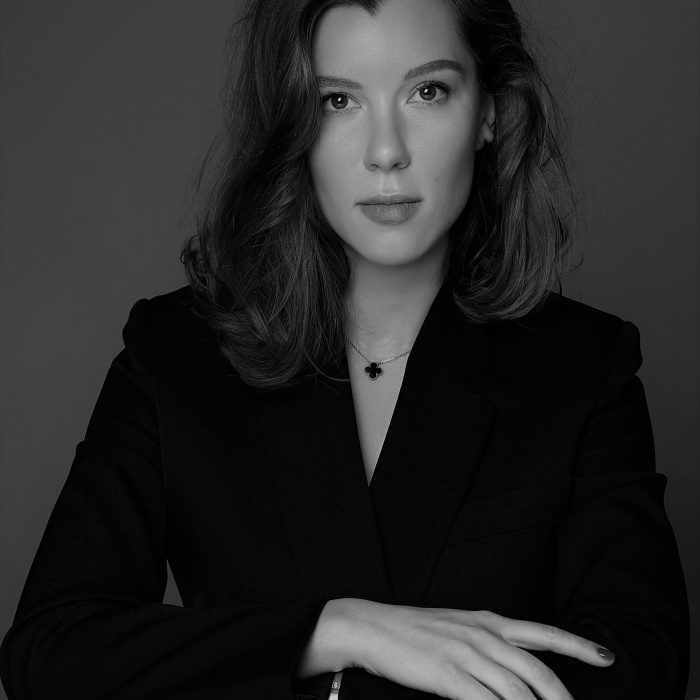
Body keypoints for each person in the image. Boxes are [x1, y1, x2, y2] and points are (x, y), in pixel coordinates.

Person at [0, 0, 690, 698]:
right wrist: (339, 630)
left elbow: (635, 667)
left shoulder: (586, 366)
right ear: (291, 125)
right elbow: (52, 654)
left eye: (429, 91)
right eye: (337, 100)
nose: (386, 151)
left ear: (491, 111)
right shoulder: (173, 353)